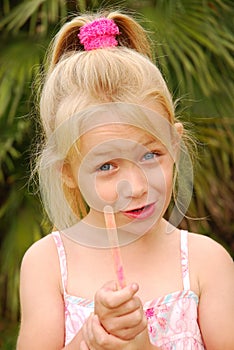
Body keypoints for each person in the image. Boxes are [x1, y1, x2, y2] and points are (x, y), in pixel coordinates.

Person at [17, 10, 234, 350]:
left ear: (174, 144)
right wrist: (91, 340)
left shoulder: (207, 262)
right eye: (106, 166)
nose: (136, 186)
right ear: (68, 173)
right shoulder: (46, 265)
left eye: (150, 155)